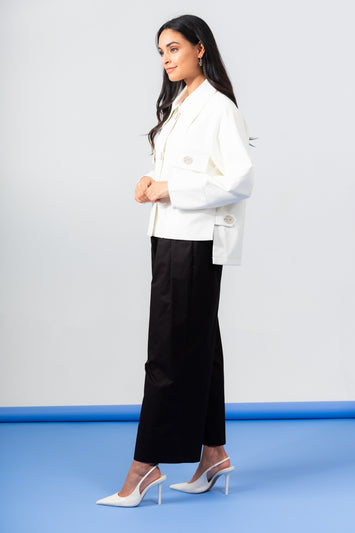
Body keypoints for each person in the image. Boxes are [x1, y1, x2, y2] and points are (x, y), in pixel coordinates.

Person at [96, 13, 254, 508]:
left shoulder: (218, 107)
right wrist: (151, 181)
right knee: (201, 344)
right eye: (161, 52)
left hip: (195, 242)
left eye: (174, 48)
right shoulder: (180, 104)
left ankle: (144, 466)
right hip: (168, 235)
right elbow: (178, 169)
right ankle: (214, 454)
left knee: (166, 352)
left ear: (199, 48)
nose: (166, 59)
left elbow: (239, 179)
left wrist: (171, 188)